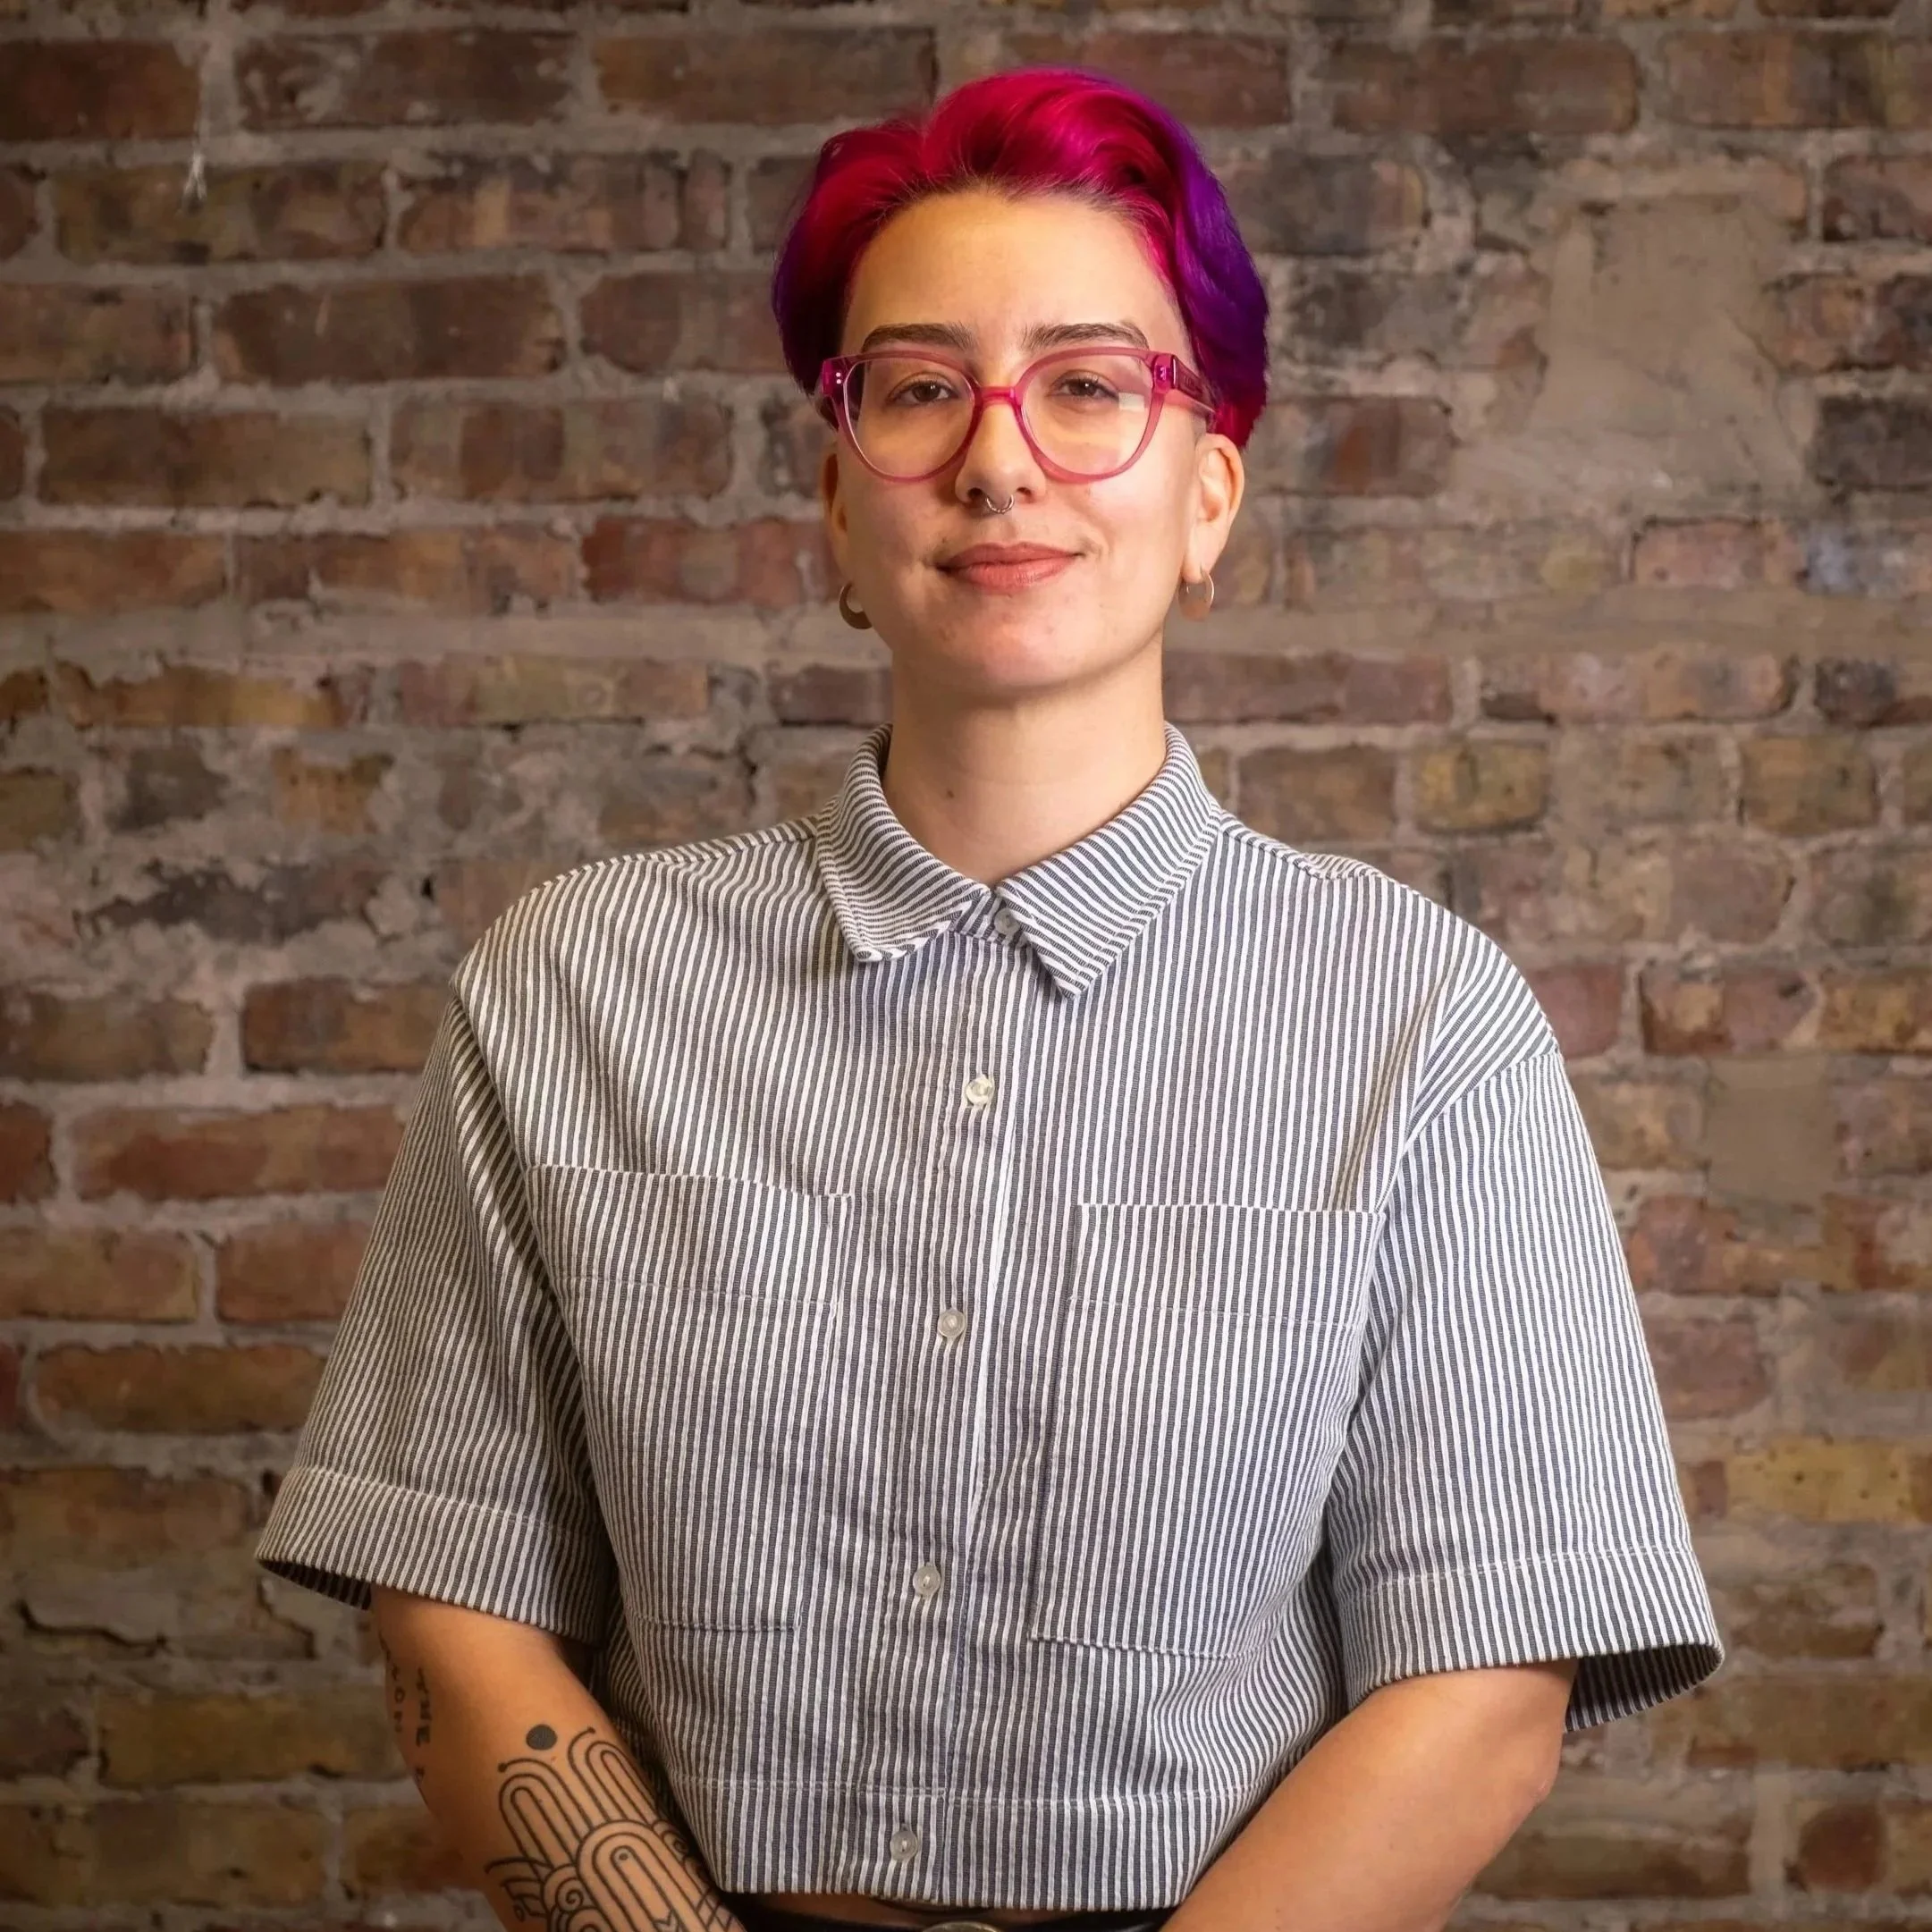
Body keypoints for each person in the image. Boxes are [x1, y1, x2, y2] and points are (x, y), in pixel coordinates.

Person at [254, 63, 1725, 1932]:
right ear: (834, 494)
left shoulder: (1426, 1030)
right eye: (920, 389)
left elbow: (1493, 1676)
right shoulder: (570, 993)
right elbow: (449, 1594)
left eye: (1090, 387)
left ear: (1208, 495)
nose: (1000, 459)